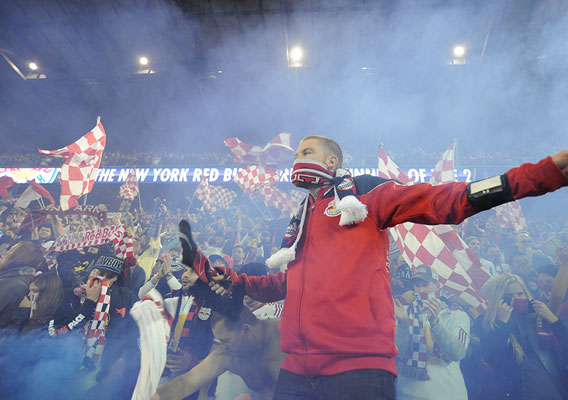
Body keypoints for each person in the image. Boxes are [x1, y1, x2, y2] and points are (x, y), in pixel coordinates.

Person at [209, 135, 568, 400]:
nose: (296, 159)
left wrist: (537, 175)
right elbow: (287, 284)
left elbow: (444, 200)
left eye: (306, 152)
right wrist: (235, 282)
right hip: (296, 371)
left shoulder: (366, 194)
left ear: (332, 161)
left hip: (358, 371)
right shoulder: (300, 218)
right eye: (296, 154)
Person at [154, 299, 285, 400]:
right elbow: (187, 382)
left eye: (225, 340)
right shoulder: (227, 353)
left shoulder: (284, 333)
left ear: (246, 330)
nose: (222, 346)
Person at [481, 273, 568, 399]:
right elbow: (491, 357)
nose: (516, 299)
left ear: (526, 294)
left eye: (520, 294)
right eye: (509, 296)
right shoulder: (493, 322)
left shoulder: (538, 317)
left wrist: (553, 321)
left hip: (556, 389)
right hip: (522, 393)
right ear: (499, 299)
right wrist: (502, 323)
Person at [394, 265, 469, 400]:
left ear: (437, 286)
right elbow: (398, 352)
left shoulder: (456, 314)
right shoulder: (404, 312)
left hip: (448, 394)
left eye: (425, 285)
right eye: (417, 285)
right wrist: (403, 324)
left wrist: (436, 323)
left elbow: (458, 353)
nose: (421, 290)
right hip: (407, 393)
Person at [0, 241, 44, 329]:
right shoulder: (19, 280)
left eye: (11, 250)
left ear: (21, 258)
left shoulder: (13, 285)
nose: (4, 253)